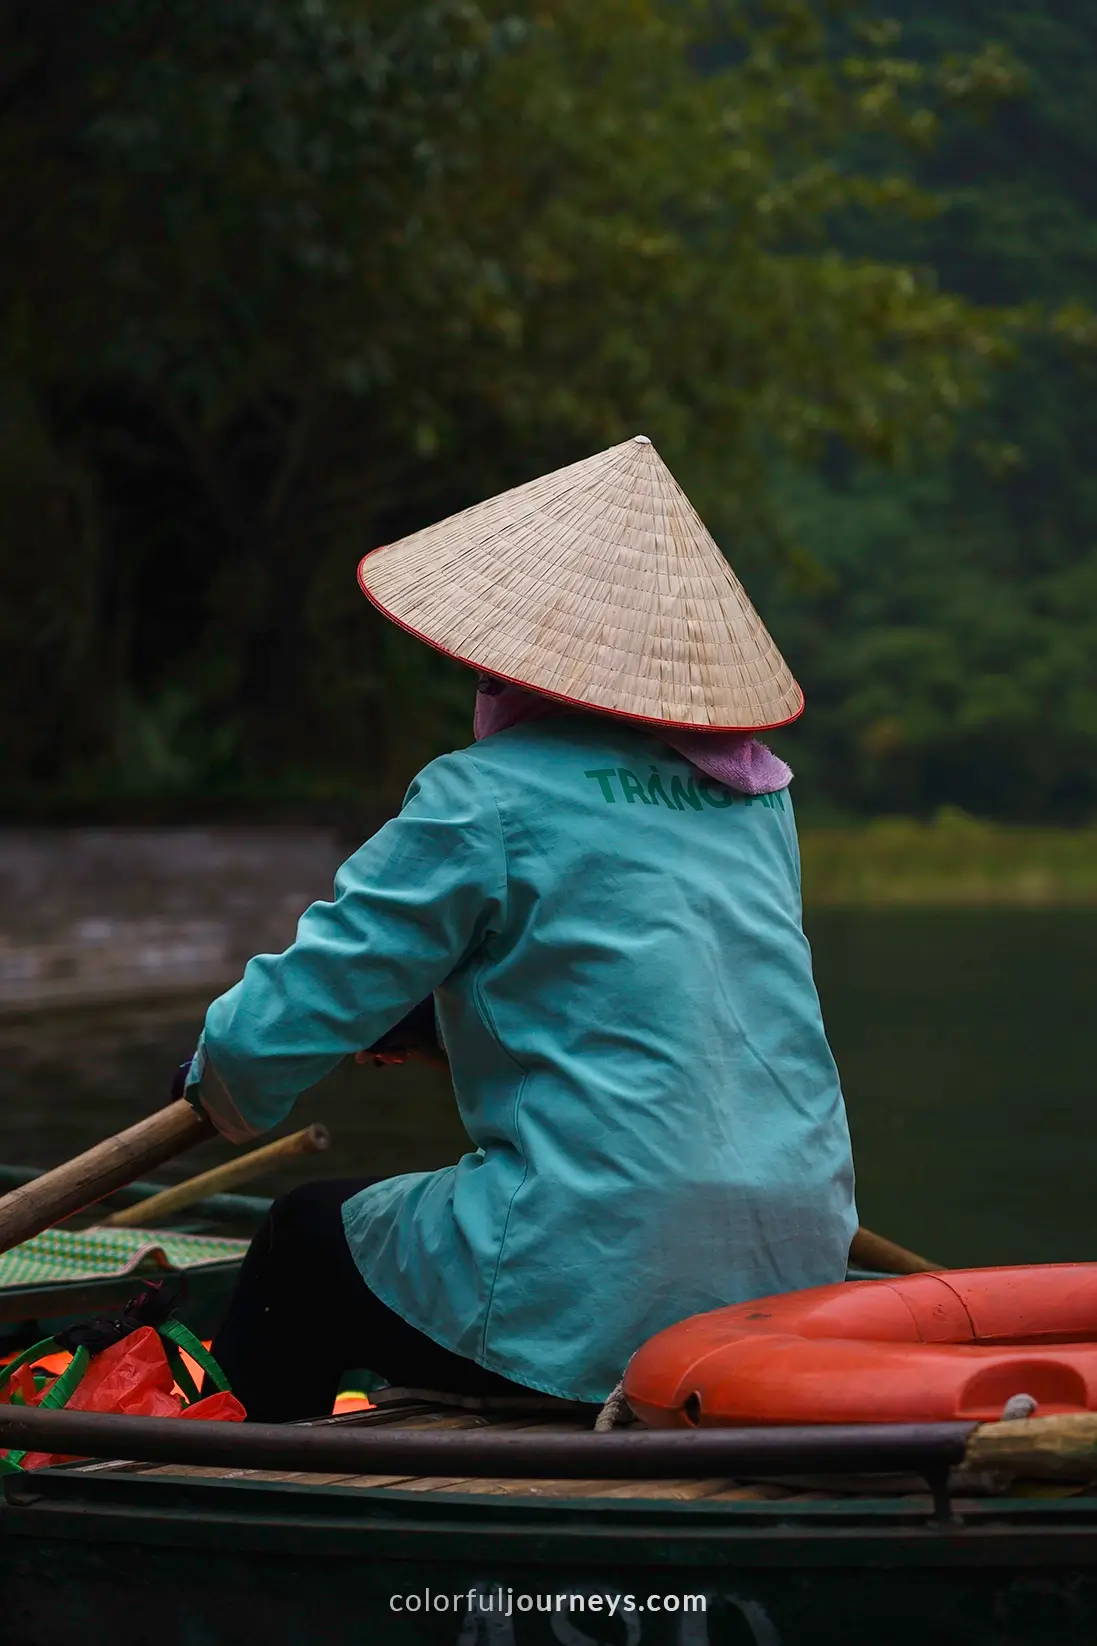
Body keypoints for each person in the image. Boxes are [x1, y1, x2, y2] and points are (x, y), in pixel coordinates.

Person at [185, 434, 857, 1422]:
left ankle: (231, 1507)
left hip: (599, 1288)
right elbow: (659, 991)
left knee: (297, 1238)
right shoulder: (754, 802)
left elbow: (284, 1018)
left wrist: (218, 1081)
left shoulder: (482, 796)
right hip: (794, 1279)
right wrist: (427, 1023)